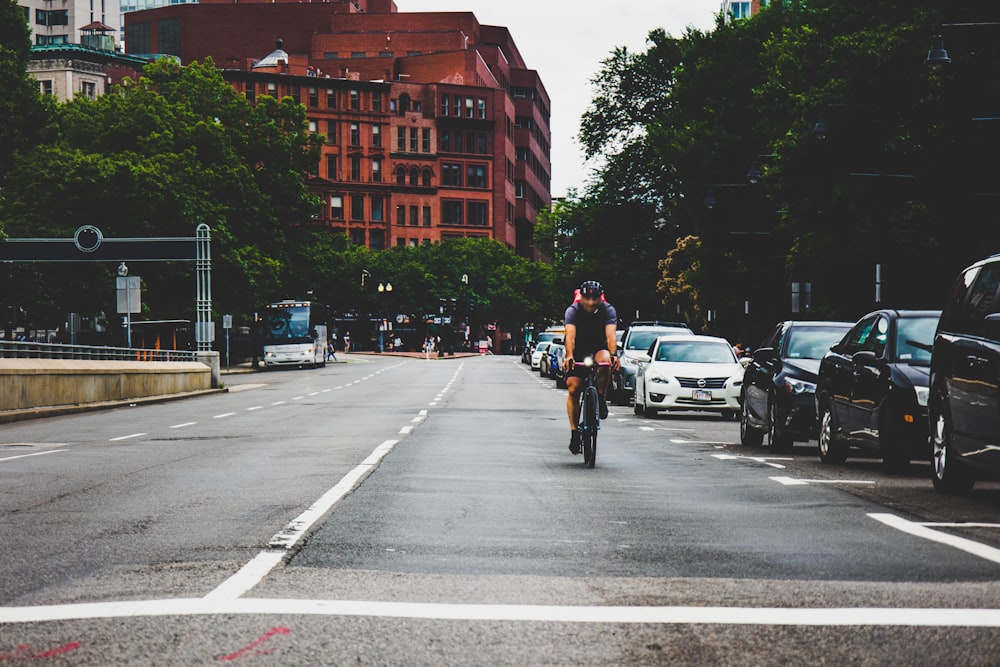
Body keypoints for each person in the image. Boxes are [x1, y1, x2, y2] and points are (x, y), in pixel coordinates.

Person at [561, 280, 620, 455]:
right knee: (573, 387)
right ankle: (574, 432)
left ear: (600, 298)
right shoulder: (573, 311)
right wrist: (569, 355)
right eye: (587, 298)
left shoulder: (608, 310)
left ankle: (600, 396)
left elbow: (611, 336)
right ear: (582, 297)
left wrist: (614, 354)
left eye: (595, 298)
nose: (591, 302)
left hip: (598, 348)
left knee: (605, 360)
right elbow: (570, 336)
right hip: (578, 350)